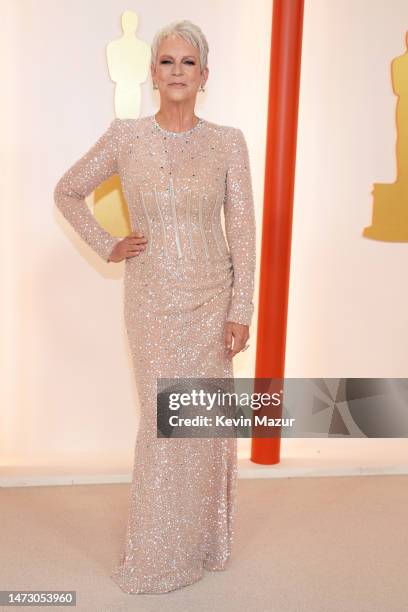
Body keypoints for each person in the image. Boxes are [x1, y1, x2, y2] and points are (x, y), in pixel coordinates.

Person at [54, 19, 256, 594]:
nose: (176, 72)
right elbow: (67, 190)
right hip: (151, 302)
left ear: (205, 76)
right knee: (163, 424)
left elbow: (242, 231)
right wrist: (107, 244)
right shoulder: (126, 137)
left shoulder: (228, 142)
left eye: (187, 63)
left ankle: (204, 542)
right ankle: (156, 554)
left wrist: (242, 308)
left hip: (213, 298)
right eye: (167, 62)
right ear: (152, 74)